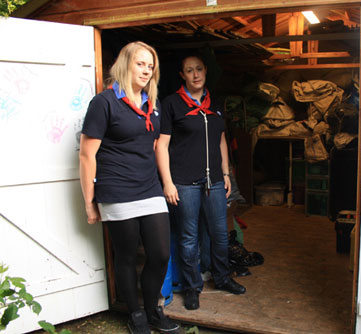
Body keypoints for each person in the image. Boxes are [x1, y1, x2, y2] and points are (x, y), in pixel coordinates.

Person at [79, 41, 181, 334]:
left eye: (151, 66)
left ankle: (153, 310)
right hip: (117, 189)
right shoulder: (105, 102)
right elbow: (87, 155)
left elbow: (158, 146)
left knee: (160, 253)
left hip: (148, 187)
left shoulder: (153, 102)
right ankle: (135, 314)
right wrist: (90, 202)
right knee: (125, 256)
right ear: (125, 64)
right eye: (140, 63)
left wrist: (166, 182)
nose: (147, 70)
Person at [156, 51, 246, 311]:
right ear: (182, 75)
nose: (195, 74)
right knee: (188, 237)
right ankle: (191, 287)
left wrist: (226, 174)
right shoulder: (172, 104)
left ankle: (222, 277)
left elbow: (221, 140)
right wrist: (168, 182)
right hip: (184, 182)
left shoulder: (214, 103)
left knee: (219, 234)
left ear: (206, 71)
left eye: (199, 69)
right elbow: (161, 146)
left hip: (215, 182)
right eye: (189, 70)